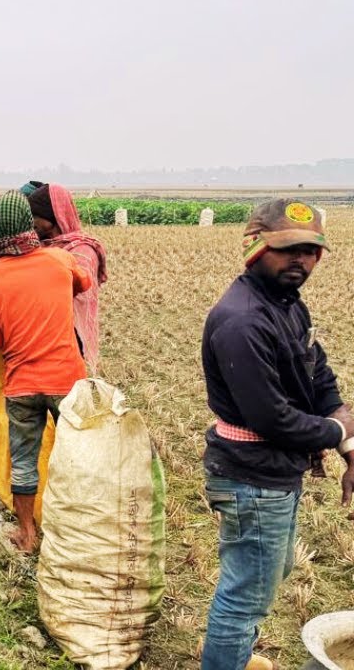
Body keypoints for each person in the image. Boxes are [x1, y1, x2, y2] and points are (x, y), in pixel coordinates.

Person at [199, 199, 353, 670]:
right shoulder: (243, 320)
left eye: (310, 250)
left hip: (272, 474)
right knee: (244, 597)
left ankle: (237, 656)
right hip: (252, 478)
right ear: (254, 247)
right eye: (288, 249)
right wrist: (335, 428)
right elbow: (273, 419)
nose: (300, 260)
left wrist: (349, 444)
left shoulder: (286, 305)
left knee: (268, 571)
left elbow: (318, 374)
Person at [0, 191, 91, 553]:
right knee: (76, 457)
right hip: (66, 381)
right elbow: (83, 283)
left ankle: (27, 533)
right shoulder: (58, 260)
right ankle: (77, 531)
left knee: (23, 460)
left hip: (21, 385)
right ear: (28, 224)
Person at [28, 184, 108, 374]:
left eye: (35, 215)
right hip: (44, 336)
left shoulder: (82, 250)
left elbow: (78, 293)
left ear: (52, 215)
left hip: (71, 337)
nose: (32, 222)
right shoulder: (41, 246)